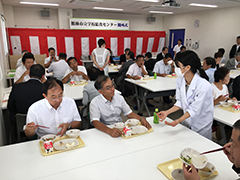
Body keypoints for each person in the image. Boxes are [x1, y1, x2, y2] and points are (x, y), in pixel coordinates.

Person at [157, 50, 213, 140]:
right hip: (187, 121)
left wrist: (178, 120)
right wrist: (167, 112)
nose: (175, 68)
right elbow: (180, 101)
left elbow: (194, 110)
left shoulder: (204, 86)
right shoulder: (180, 80)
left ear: (187, 67)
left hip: (201, 125)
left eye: (178, 66)